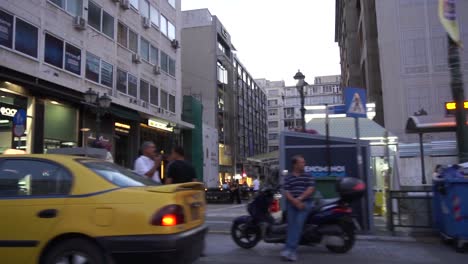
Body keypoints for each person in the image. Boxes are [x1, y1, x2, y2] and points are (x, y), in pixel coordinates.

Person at [281, 155, 315, 262]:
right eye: (301, 162)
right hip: (292, 203)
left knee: (297, 224)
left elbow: (310, 189)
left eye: (304, 162)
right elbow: (286, 192)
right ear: (295, 164)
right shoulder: (289, 177)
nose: (303, 164)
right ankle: (289, 251)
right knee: (291, 226)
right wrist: (294, 201)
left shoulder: (308, 175)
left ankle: (291, 250)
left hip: (305, 203)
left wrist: (299, 199)